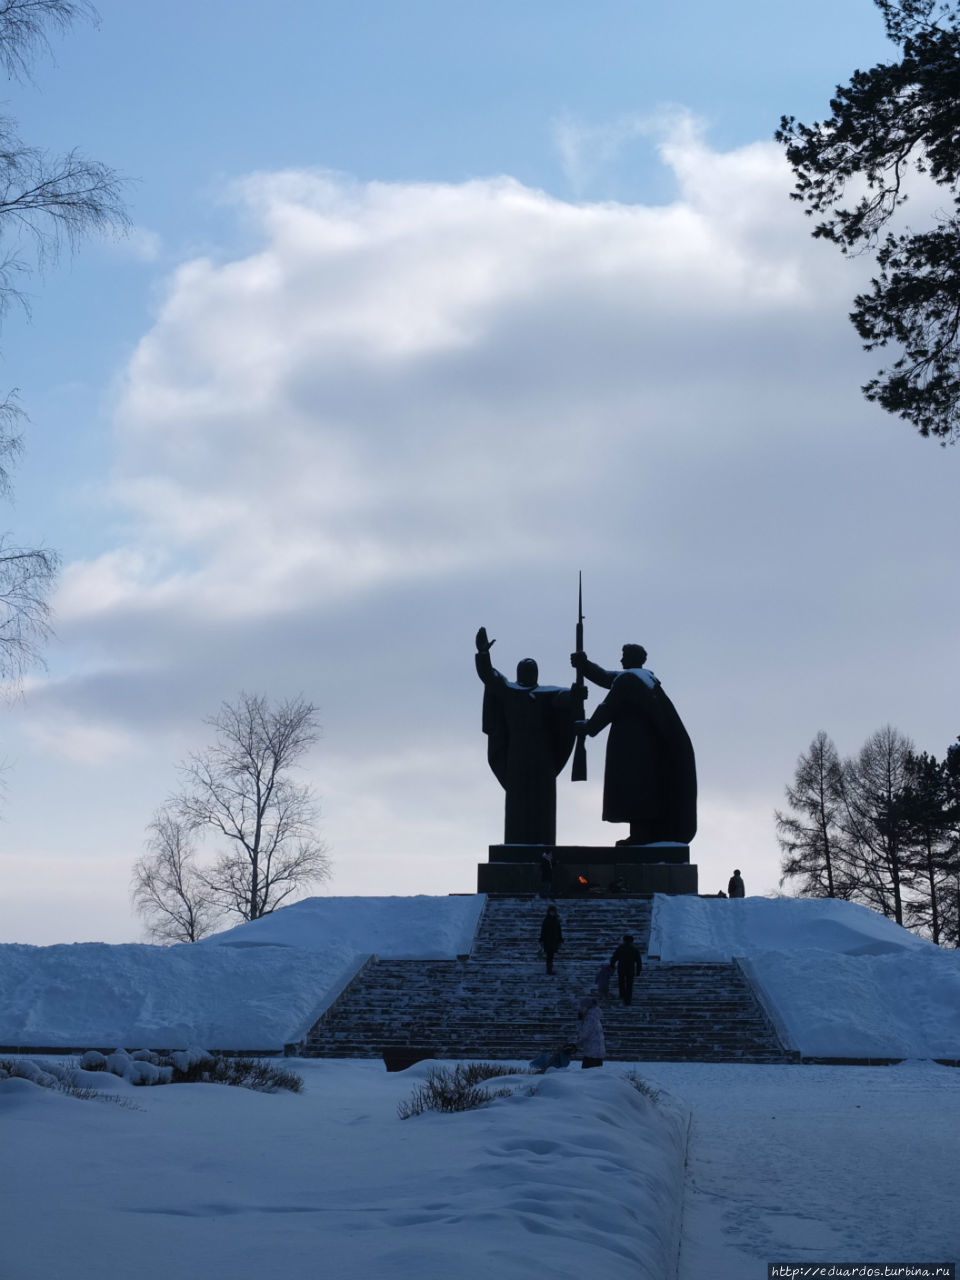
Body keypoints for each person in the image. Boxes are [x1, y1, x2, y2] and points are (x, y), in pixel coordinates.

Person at [571, 643, 696, 846]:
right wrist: (584, 665)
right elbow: (607, 678)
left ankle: (640, 836)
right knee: (639, 789)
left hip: (634, 750)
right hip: (642, 748)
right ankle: (640, 835)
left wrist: (588, 727)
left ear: (631, 658)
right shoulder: (644, 679)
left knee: (635, 790)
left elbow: (609, 706)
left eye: (623, 656)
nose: (621, 660)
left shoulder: (630, 680)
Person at [477, 627, 584, 845]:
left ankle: (543, 841)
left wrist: (575, 694)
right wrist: (483, 654)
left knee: (542, 803)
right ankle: (516, 842)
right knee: (517, 802)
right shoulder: (509, 691)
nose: (527, 675)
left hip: (542, 757)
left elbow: (564, 697)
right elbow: (489, 676)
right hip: (517, 755)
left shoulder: (547, 694)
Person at [610, 933, 643, 1006]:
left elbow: (614, 958)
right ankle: (628, 1000)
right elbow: (638, 961)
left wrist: (612, 965)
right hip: (630, 969)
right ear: (632, 941)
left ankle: (622, 995)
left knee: (621, 983)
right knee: (629, 984)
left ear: (624, 940)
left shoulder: (620, 948)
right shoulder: (634, 949)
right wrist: (638, 971)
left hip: (621, 968)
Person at [576, 995, 605, 1068]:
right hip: (597, 1053)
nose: (580, 1009)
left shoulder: (590, 1018)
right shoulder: (595, 1016)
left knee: (587, 1077)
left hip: (591, 1054)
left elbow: (583, 1034)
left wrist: (580, 1021)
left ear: (587, 1007)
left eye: (582, 1007)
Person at [539, 904, 563, 975]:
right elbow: (543, 931)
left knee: (551, 955)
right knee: (549, 956)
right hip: (547, 941)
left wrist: (560, 939)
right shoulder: (546, 920)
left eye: (553, 912)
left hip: (554, 941)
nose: (552, 913)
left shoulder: (556, 920)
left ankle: (549, 969)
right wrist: (541, 940)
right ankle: (549, 969)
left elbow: (559, 931)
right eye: (551, 912)